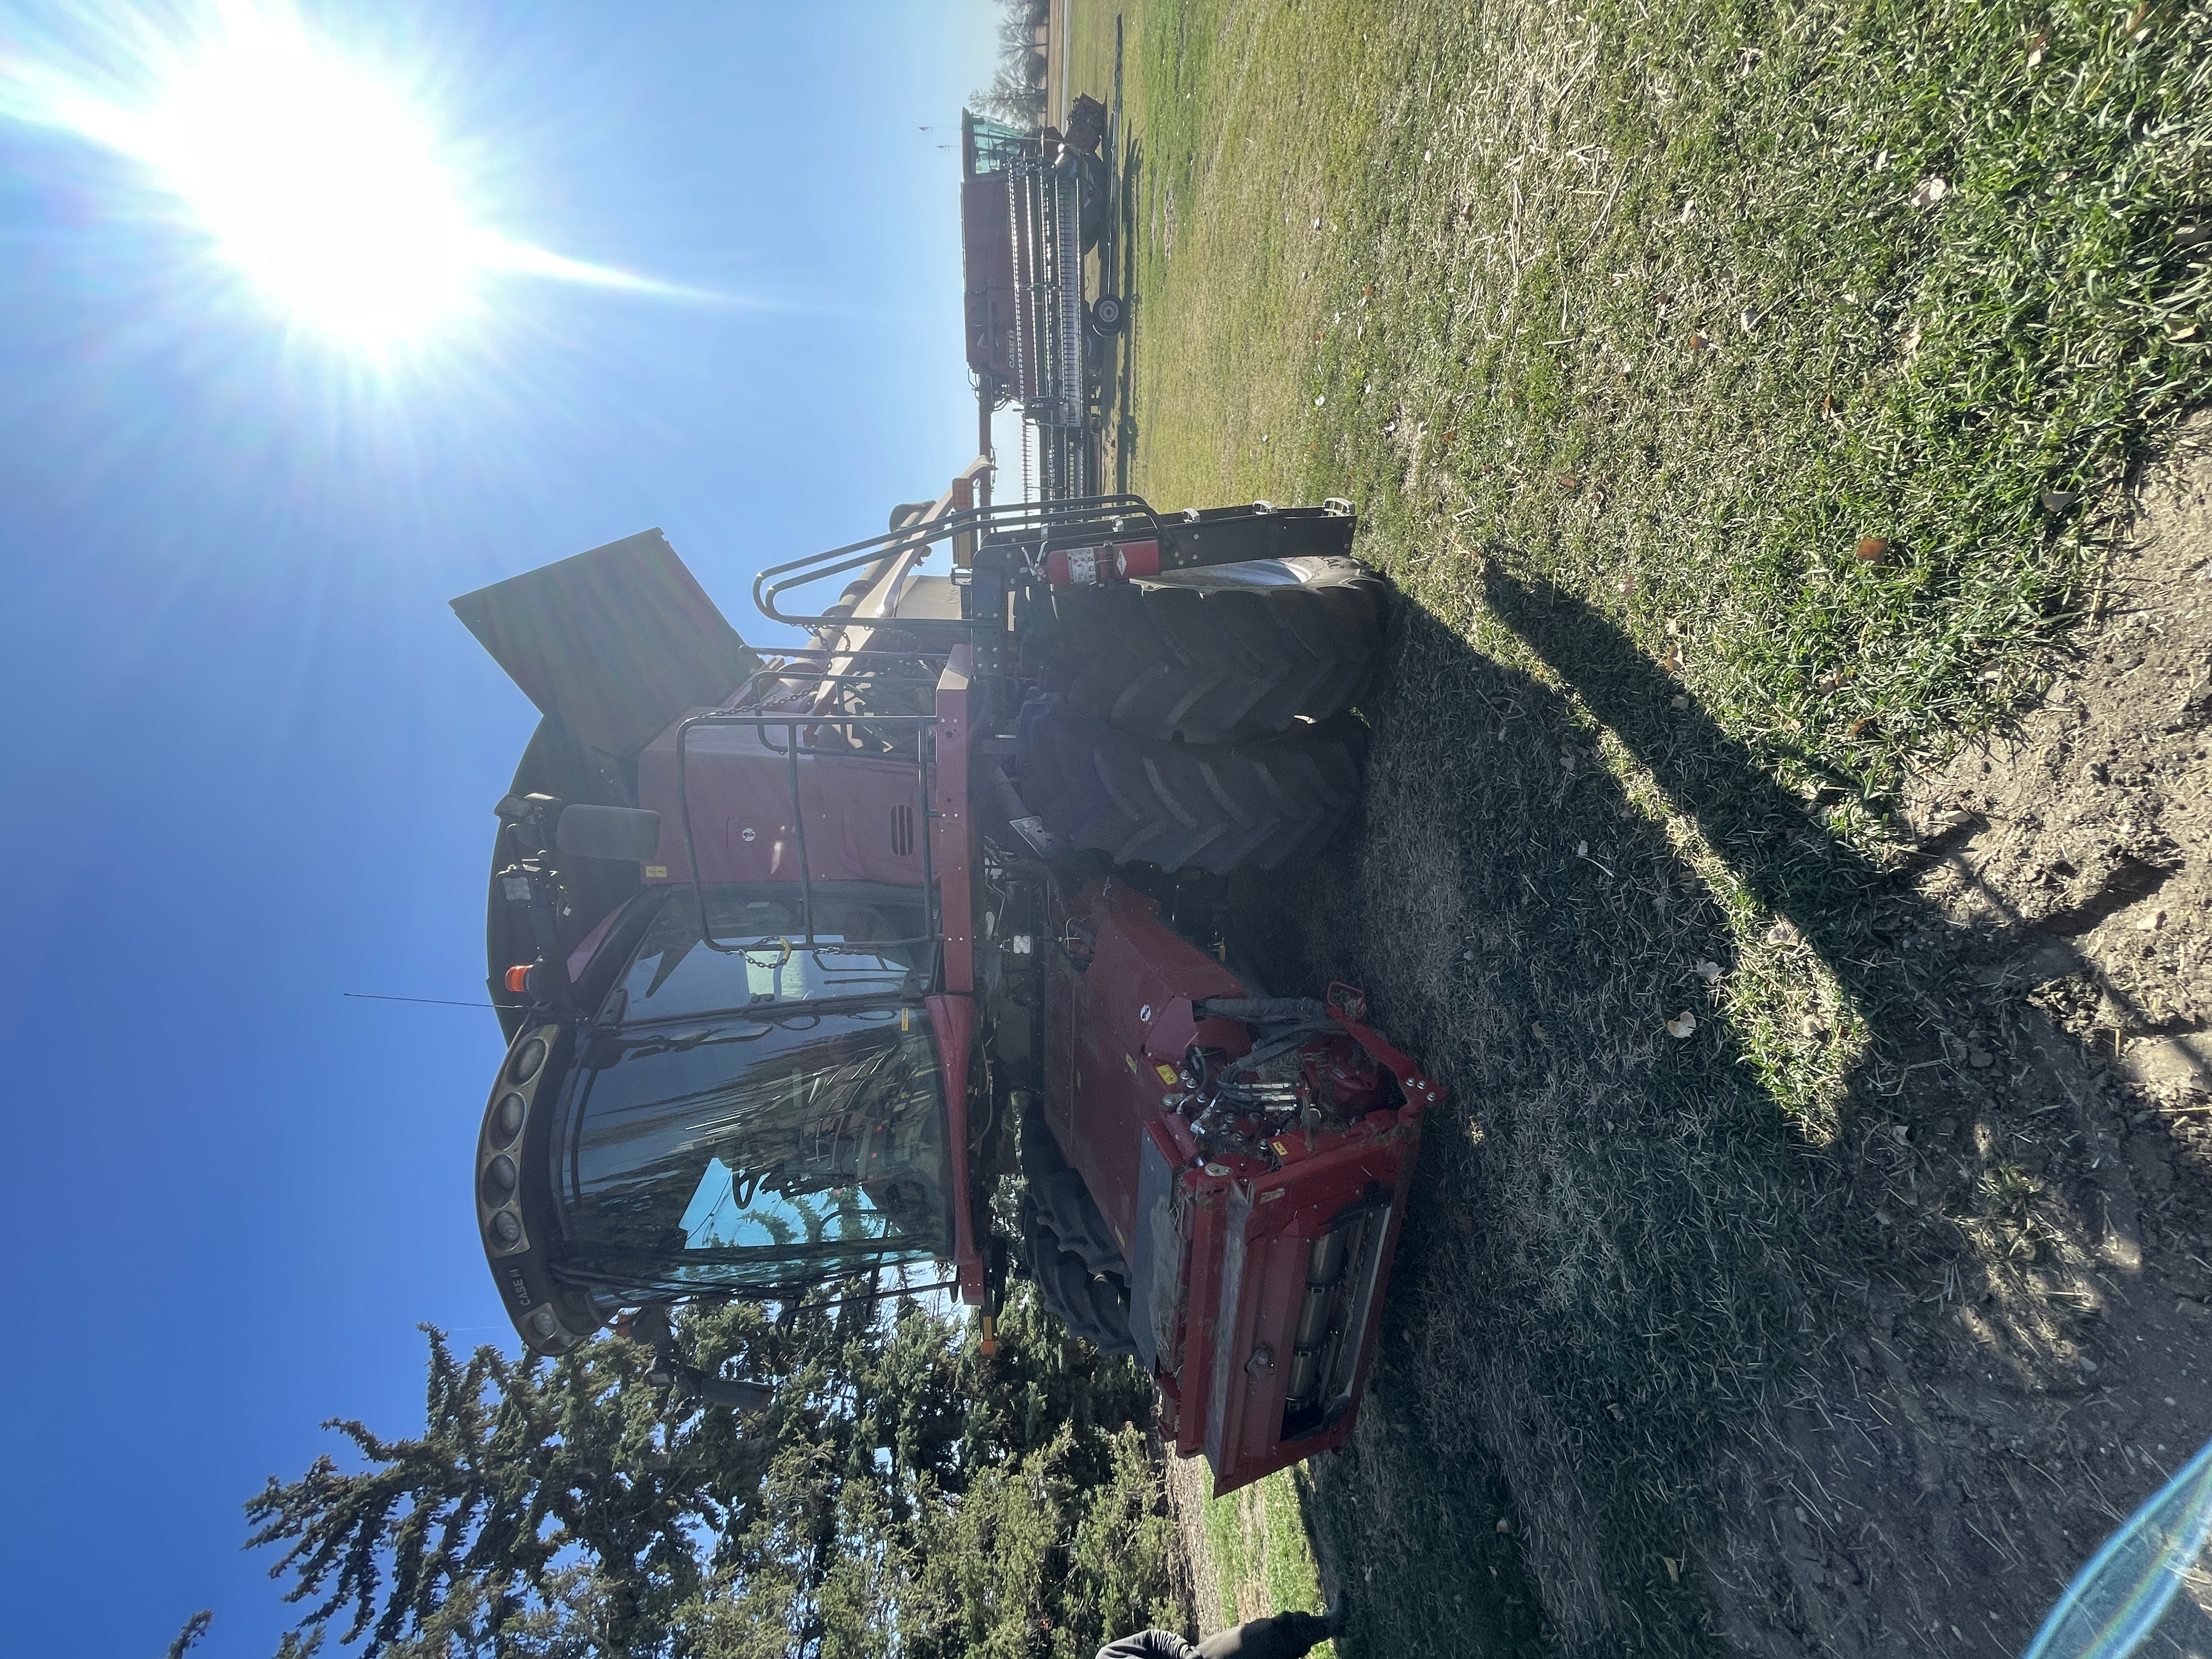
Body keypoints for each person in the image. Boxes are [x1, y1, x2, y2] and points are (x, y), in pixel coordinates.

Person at [1097, 1600, 1346, 1659]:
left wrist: (1184, 1654)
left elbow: (1152, 1640)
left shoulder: (1107, 1657)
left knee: (1265, 1635)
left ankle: (1329, 1625)